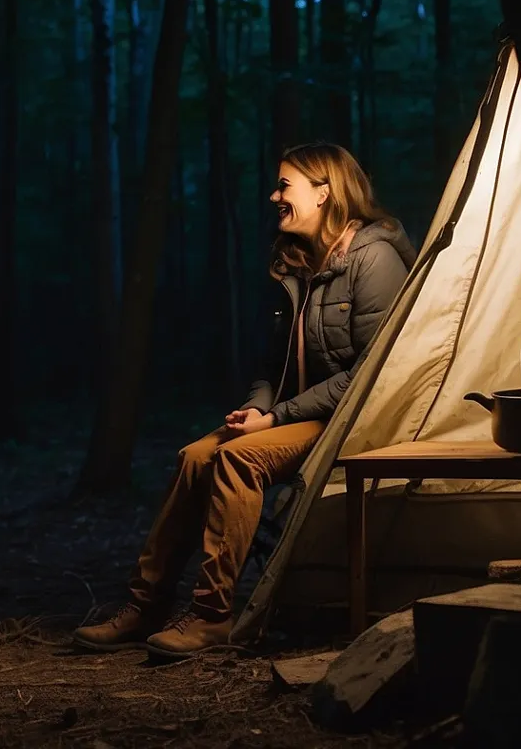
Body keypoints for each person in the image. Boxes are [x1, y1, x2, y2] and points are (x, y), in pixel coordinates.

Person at [73, 142, 416, 658]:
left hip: (350, 417)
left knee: (238, 456)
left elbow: (372, 374)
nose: (274, 196)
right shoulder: (294, 264)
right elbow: (269, 366)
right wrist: (259, 407)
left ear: (324, 193)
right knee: (195, 456)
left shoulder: (375, 259)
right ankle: (146, 605)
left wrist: (275, 416)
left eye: (285, 185)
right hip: (295, 412)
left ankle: (212, 615)